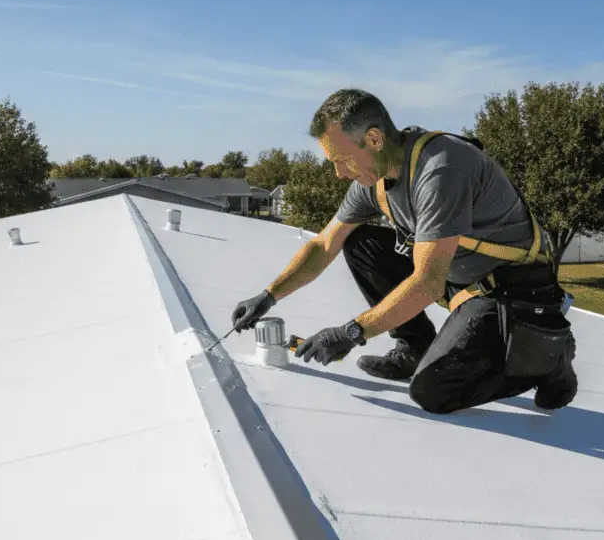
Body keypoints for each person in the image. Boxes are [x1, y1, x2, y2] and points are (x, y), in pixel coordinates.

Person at [230, 89, 577, 413]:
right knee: (360, 242)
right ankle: (415, 347)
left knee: (433, 392)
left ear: (374, 138)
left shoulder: (441, 169)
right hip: (458, 278)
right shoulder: (374, 179)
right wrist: (268, 296)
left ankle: (548, 359)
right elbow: (324, 244)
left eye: (341, 160)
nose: (338, 174)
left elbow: (427, 283)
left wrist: (351, 333)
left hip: (511, 288)